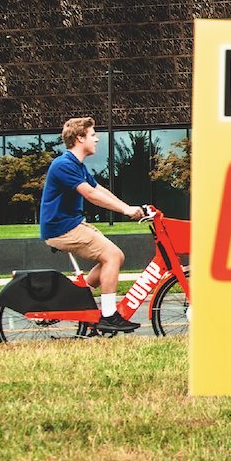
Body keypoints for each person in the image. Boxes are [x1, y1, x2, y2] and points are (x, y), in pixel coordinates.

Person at [40, 116, 152, 333]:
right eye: (92, 135)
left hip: (71, 224)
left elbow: (99, 189)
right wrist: (125, 210)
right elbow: (90, 194)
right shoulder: (64, 164)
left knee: (115, 256)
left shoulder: (76, 165)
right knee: (111, 256)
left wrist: (129, 207)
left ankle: (74, 300)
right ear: (79, 138)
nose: (97, 139)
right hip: (62, 228)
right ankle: (109, 315)